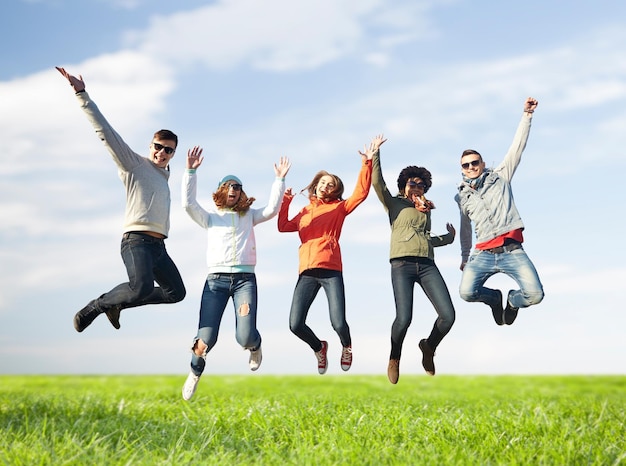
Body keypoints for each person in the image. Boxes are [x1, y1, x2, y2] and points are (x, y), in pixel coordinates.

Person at [56, 67, 186, 333]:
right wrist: (82, 94)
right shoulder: (134, 164)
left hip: (159, 247)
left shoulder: (165, 176)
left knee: (176, 293)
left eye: (168, 150)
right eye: (158, 147)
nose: (161, 153)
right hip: (136, 241)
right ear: (150, 145)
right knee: (141, 288)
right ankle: (97, 305)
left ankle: (118, 304)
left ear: (173, 154)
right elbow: (105, 131)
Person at [181, 147, 291, 400]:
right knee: (205, 340)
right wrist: (190, 172)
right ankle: (195, 373)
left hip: (244, 282)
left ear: (241, 194)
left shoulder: (249, 216)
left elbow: (273, 209)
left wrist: (279, 180)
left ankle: (255, 346)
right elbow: (187, 204)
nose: (233, 189)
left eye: (238, 187)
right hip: (215, 282)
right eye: (229, 186)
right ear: (221, 191)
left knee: (244, 337)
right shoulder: (210, 218)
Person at [277, 136, 382, 375]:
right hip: (306, 272)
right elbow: (283, 226)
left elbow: (361, 193)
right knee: (295, 324)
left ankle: (346, 346)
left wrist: (367, 162)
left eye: (331, 184)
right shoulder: (305, 211)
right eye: (323, 182)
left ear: (335, 189)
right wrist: (286, 201)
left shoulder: (339, 208)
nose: (326, 186)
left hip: (331, 270)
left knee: (338, 322)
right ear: (316, 185)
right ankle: (319, 348)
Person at [372, 142, 456, 383]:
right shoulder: (394, 204)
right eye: (412, 183)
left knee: (448, 316)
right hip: (402, 265)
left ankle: (428, 347)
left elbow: (425, 239)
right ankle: (394, 357)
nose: (417, 186)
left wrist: (448, 239)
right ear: (404, 185)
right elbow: (378, 183)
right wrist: (374, 155)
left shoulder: (426, 209)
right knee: (404, 318)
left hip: (427, 265)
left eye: (421, 184)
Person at [455, 97, 544, 327]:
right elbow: (465, 228)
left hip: (512, 251)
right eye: (466, 165)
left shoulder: (500, 176)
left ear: (482, 163)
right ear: (462, 168)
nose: (471, 167)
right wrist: (465, 256)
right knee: (466, 292)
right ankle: (494, 298)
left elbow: (517, 147)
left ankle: (513, 301)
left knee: (535, 295)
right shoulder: (462, 196)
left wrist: (527, 116)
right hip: (483, 254)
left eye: (475, 163)